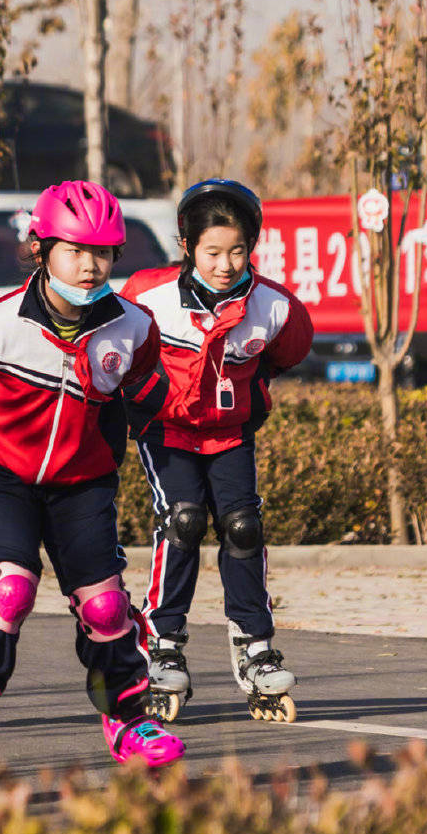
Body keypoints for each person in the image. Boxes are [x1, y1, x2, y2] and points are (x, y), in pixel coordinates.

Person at [0, 180, 185, 775]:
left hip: (82, 482)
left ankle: (128, 716)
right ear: (40, 250)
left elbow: (146, 393)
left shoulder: (132, 328)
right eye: (74, 250)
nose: (90, 266)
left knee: (107, 607)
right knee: (11, 588)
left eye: (104, 252)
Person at [119, 179, 312, 723]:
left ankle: (254, 646)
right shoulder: (147, 296)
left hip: (229, 433)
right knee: (183, 521)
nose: (225, 264)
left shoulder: (274, 306)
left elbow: (288, 351)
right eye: (212, 252)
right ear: (187, 247)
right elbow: (119, 352)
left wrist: (248, 388)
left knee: (242, 526)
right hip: (167, 430)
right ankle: (162, 643)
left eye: (237, 251)